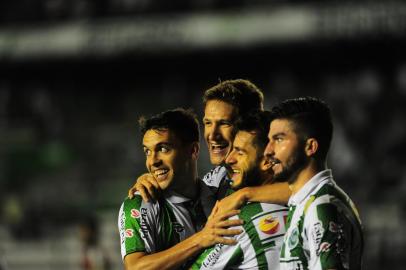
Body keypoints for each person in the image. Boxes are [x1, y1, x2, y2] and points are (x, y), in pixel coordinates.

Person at [130, 79, 291, 216]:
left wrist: (245, 195)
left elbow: (309, 188)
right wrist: (150, 179)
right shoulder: (217, 179)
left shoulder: (278, 165)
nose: (212, 135)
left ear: (250, 125)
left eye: (224, 123)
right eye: (208, 123)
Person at [118, 108, 243, 270]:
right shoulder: (141, 203)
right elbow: (135, 267)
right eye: (147, 151)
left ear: (193, 150)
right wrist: (201, 239)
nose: (152, 161)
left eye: (163, 149)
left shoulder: (220, 192)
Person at [264, 97, 364, 270]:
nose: (268, 150)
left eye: (279, 139)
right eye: (269, 140)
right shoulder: (307, 201)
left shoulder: (322, 207)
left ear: (310, 147)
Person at [191, 110, 288, 269]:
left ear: (267, 161)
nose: (229, 159)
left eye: (240, 152)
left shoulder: (239, 221)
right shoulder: (303, 202)